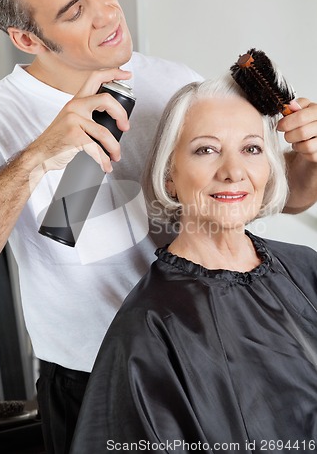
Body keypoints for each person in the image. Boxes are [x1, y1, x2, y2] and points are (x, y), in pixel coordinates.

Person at [0, 0, 316, 451]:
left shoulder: (171, 82)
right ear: (27, 39)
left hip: (210, 353)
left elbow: (261, 196)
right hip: (95, 377)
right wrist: (37, 158)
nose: (108, 13)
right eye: (75, 11)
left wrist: (309, 159)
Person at [70, 76, 317, 453]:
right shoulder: (149, 327)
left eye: (251, 149)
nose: (234, 171)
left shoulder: (305, 267)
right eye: (206, 150)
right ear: (170, 176)